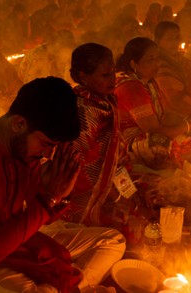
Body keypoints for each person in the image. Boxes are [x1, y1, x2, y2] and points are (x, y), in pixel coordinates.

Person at [0, 77, 126, 293]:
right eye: (46, 144)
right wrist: (48, 199)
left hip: (14, 242)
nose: (48, 154)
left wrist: (58, 193)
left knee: (112, 240)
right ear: (19, 124)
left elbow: (39, 211)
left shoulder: (20, 148)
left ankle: (58, 288)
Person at [114, 37, 191, 170]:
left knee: (190, 131)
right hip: (124, 145)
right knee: (159, 145)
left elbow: (162, 114)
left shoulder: (148, 81)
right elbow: (155, 131)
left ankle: (181, 161)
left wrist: (189, 118)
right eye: (150, 59)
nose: (157, 63)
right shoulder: (131, 86)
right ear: (134, 64)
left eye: (157, 57)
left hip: (147, 134)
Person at [65, 42, 121, 227]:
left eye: (113, 72)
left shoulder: (105, 102)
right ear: (84, 77)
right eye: (105, 75)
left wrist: (124, 191)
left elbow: (112, 157)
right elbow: (76, 163)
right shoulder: (83, 109)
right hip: (78, 199)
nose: (113, 79)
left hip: (103, 192)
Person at [154, 21, 191, 138]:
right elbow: (174, 102)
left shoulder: (180, 60)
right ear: (158, 40)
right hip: (173, 124)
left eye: (177, 37)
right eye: (170, 39)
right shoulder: (158, 65)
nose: (175, 42)